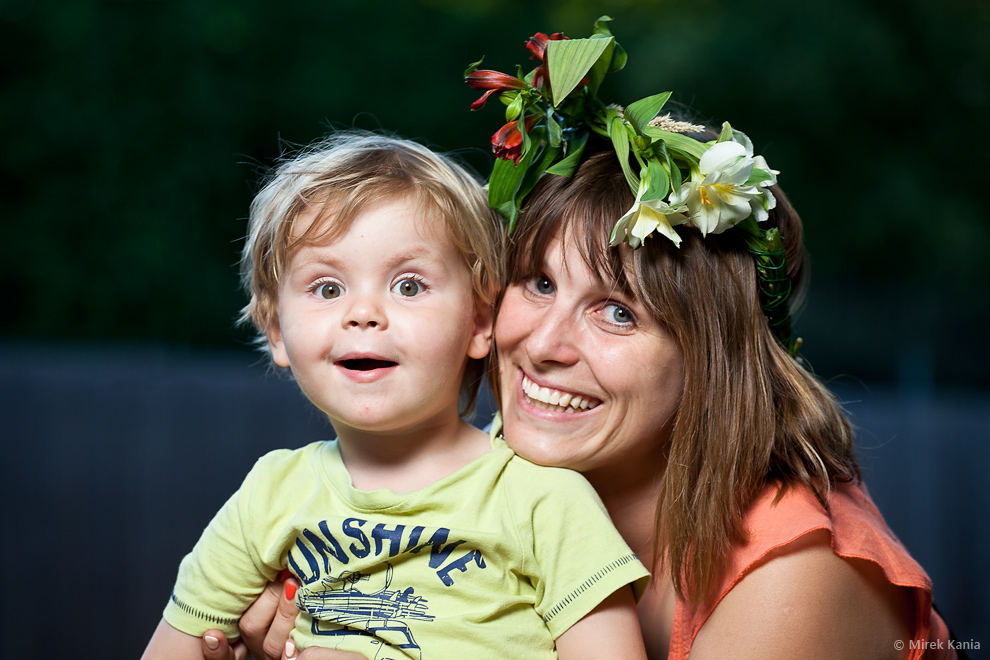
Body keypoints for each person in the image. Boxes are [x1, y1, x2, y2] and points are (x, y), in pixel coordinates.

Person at [202, 21, 961, 660]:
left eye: (619, 312)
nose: (544, 345)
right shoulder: (501, 487)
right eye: (536, 282)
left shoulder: (799, 577)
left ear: (713, 357)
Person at [141, 132, 650, 660]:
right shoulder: (268, 497)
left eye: (408, 286)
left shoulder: (544, 502)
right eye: (327, 288)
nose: (364, 313)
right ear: (275, 329)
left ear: (480, 320)